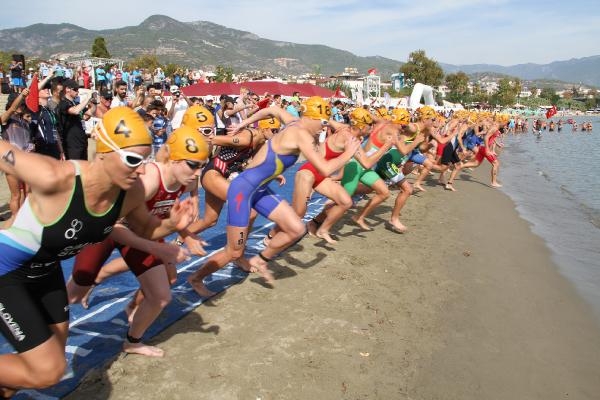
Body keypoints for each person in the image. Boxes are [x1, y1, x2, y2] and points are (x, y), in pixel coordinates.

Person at [0, 107, 194, 397]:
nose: (141, 170)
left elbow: (146, 230)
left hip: (46, 271)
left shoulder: (131, 192)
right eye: (132, 160)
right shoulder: (55, 177)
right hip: (7, 272)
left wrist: (172, 225)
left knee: (39, 362)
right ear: (103, 152)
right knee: (48, 370)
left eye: (145, 160)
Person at [187, 96, 361, 296]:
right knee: (234, 251)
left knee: (296, 229)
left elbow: (272, 110)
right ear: (312, 118)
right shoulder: (301, 134)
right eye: (322, 123)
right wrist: (349, 152)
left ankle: (261, 259)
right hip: (242, 191)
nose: (324, 128)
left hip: (258, 190)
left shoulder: (294, 122)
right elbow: (324, 168)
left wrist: (243, 122)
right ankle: (196, 278)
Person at [66, 124, 208, 357]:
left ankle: (132, 342)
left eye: (202, 165)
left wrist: (184, 233)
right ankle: (41, 321)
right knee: (73, 295)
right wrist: (164, 245)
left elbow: (153, 223)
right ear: (173, 158)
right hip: (106, 230)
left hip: (140, 231)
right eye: (194, 165)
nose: (198, 172)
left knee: (161, 296)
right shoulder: (149, 180)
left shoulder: (186, 178)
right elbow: (113, 227)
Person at [1, 89, 34, 227]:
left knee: (28, 192)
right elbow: (13, 108)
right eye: (19, 105)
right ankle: (15, 220)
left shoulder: (24, 121)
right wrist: (22, 95)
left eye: (22, 105)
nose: (21, 107)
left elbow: (28, 141)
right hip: (10, 159)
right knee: (16, 194)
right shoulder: (5, 119)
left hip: (26, 159)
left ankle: (25, 219)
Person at [56, 79, 95, 160]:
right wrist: (87, 98)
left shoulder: (76, 103)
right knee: (75, 170)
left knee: (83, 169)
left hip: (81, 142)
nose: (77, 92)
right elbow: (75, 111)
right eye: (75, 89)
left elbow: (89, 114)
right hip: (71, 145)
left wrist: (94, 102)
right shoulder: (63, 103)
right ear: (67, 89)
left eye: (78, 89)